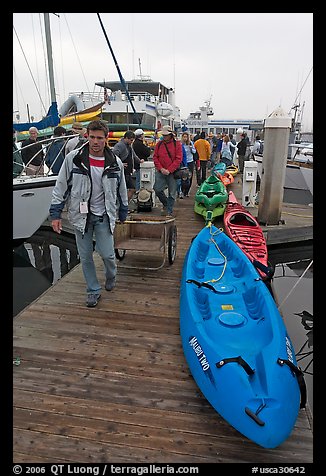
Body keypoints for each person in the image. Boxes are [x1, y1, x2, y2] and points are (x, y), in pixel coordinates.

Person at [49, 120, 128, 308]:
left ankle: (111, 275)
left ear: (106, 139)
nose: (95, 141)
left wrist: (123, 209)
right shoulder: (74, 159)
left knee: (108, 255)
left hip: (104, 215)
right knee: (85, 257)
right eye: (92, 137)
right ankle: (93, 290)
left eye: (99, 138)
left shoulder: (115, 162)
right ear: (87, 136)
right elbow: (61, 187)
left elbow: (122, 188)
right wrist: (55, 214)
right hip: (80, 217)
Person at [152, 125, 183, 217]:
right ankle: (165, 203)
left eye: (166, 135)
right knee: (157, 189)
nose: (164, 137)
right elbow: (155, 157)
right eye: (163, 135)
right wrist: (161, 168)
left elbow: (178, 159)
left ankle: (169, 211)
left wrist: (169, 170)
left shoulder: (177, 144)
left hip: (172, 172)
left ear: (171, 135)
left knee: (172, 193)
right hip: (161, 171)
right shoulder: (159, 144)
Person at [112, 130, 142, 202]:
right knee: (126, 189)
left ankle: (125, 204)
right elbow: (113, 157)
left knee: (131, 189)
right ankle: (123, 205)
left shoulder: (129, 146)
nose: (132, 142)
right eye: (131, 140)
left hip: (127, 172)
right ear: (126, 138)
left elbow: (133, 155)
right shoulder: (119, 145)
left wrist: (139, 161)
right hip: (123, 172)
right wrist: (120, 164)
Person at [180, 131, 196, 196]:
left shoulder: (191, 143)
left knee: (190, 176)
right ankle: (182, 191)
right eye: (184, 137)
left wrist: (191, 148)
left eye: (186, 137)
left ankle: (187, 191)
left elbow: (194, 152)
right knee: (182, 176)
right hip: (183, 162)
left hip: (190, 161)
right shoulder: (181, 144)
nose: (185, 138)